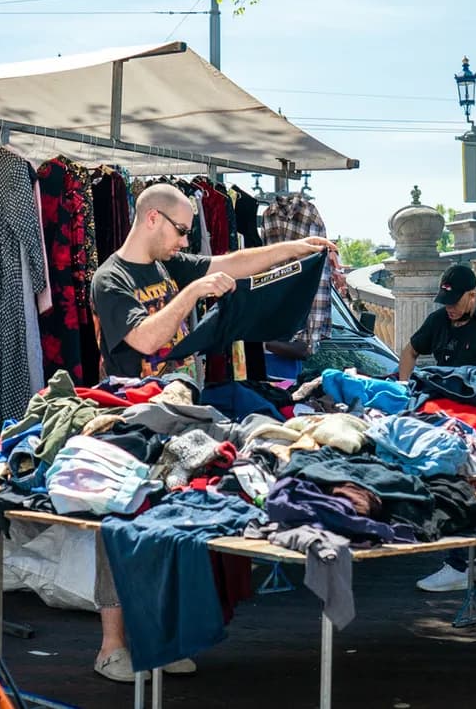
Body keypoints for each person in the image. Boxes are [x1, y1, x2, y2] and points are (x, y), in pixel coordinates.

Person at [87, 183, 332, 682]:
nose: (184, 242)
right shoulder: (109, 279)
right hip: (132, 419)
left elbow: (233, 261)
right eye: (180, 230)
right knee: (119, 524)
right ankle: (112, 646)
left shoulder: (165, 265)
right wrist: (194, 292)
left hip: (183, 418)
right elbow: (147, 339)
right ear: (152, 219)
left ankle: (163, 637)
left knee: (173, 528)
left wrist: (295, 249)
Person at [398, 263, 476, 592]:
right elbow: (409, 351)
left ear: (473, 296)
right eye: (444, 302)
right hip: (442, 412)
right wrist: (403, 386)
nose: (448, 309)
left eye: (454, 303)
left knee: (461, 480)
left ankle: (458, 562)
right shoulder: (439, 319)